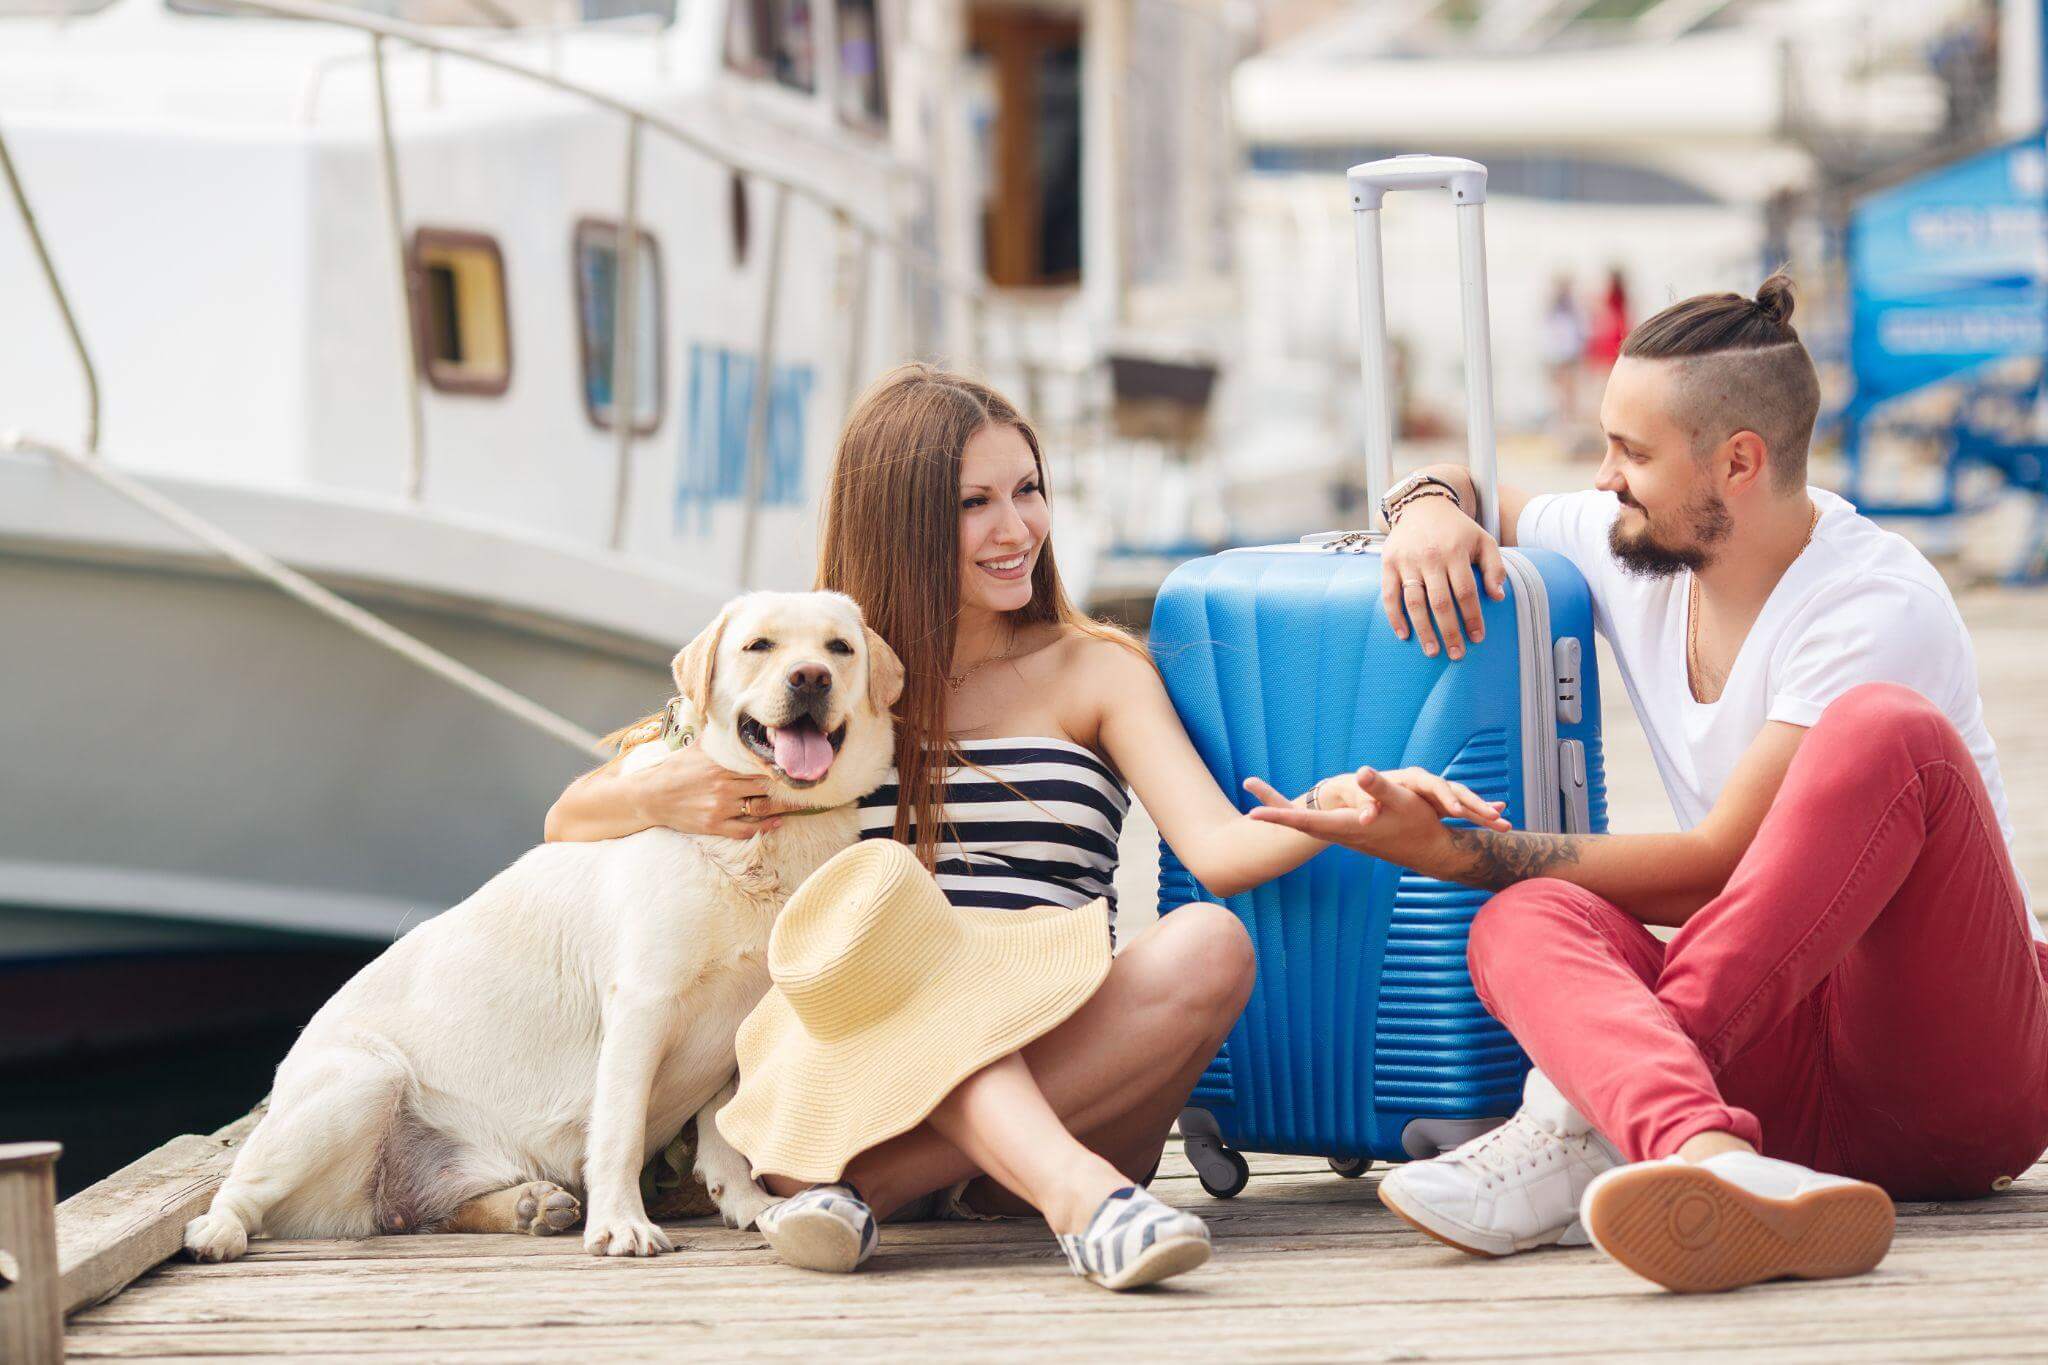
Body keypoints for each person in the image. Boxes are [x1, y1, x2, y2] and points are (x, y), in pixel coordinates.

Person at [545, 363, 1509, 1287]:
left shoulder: (1094, 668)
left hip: (1067, 1071)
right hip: (851, 1093)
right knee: (907, 943)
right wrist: (658, 796)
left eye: (1029, 491)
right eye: (974, 504)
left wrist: (1355, 802)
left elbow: (1219, 848)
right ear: (901, 520)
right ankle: (1084, 1206)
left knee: (1209, 941)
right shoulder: (827, 668)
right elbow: (568, 816)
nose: (1017, 530)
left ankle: (872, 1197)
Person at [1248, 275, 2048, 1293]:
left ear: (1738, 463)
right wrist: (1428, 508)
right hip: (1767, 1073)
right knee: (1527, 916)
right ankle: (1704, 1157)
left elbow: (1717, 868)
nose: (1603, 477)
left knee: (1888, 732)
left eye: (1630, 453)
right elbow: (1479, 488)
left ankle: (1585, 1121)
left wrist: (1454, 850)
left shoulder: (1872, 601)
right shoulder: (1634, 542)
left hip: (1946, 1075)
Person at [1539, 274, 1586, 446]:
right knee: (1563, 393)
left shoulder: (1569, 308)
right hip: (1560, 355)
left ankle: (1567, 424)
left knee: (1567, 393)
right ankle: (1563, 424)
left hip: (1566, 354)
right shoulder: (1558, 309)